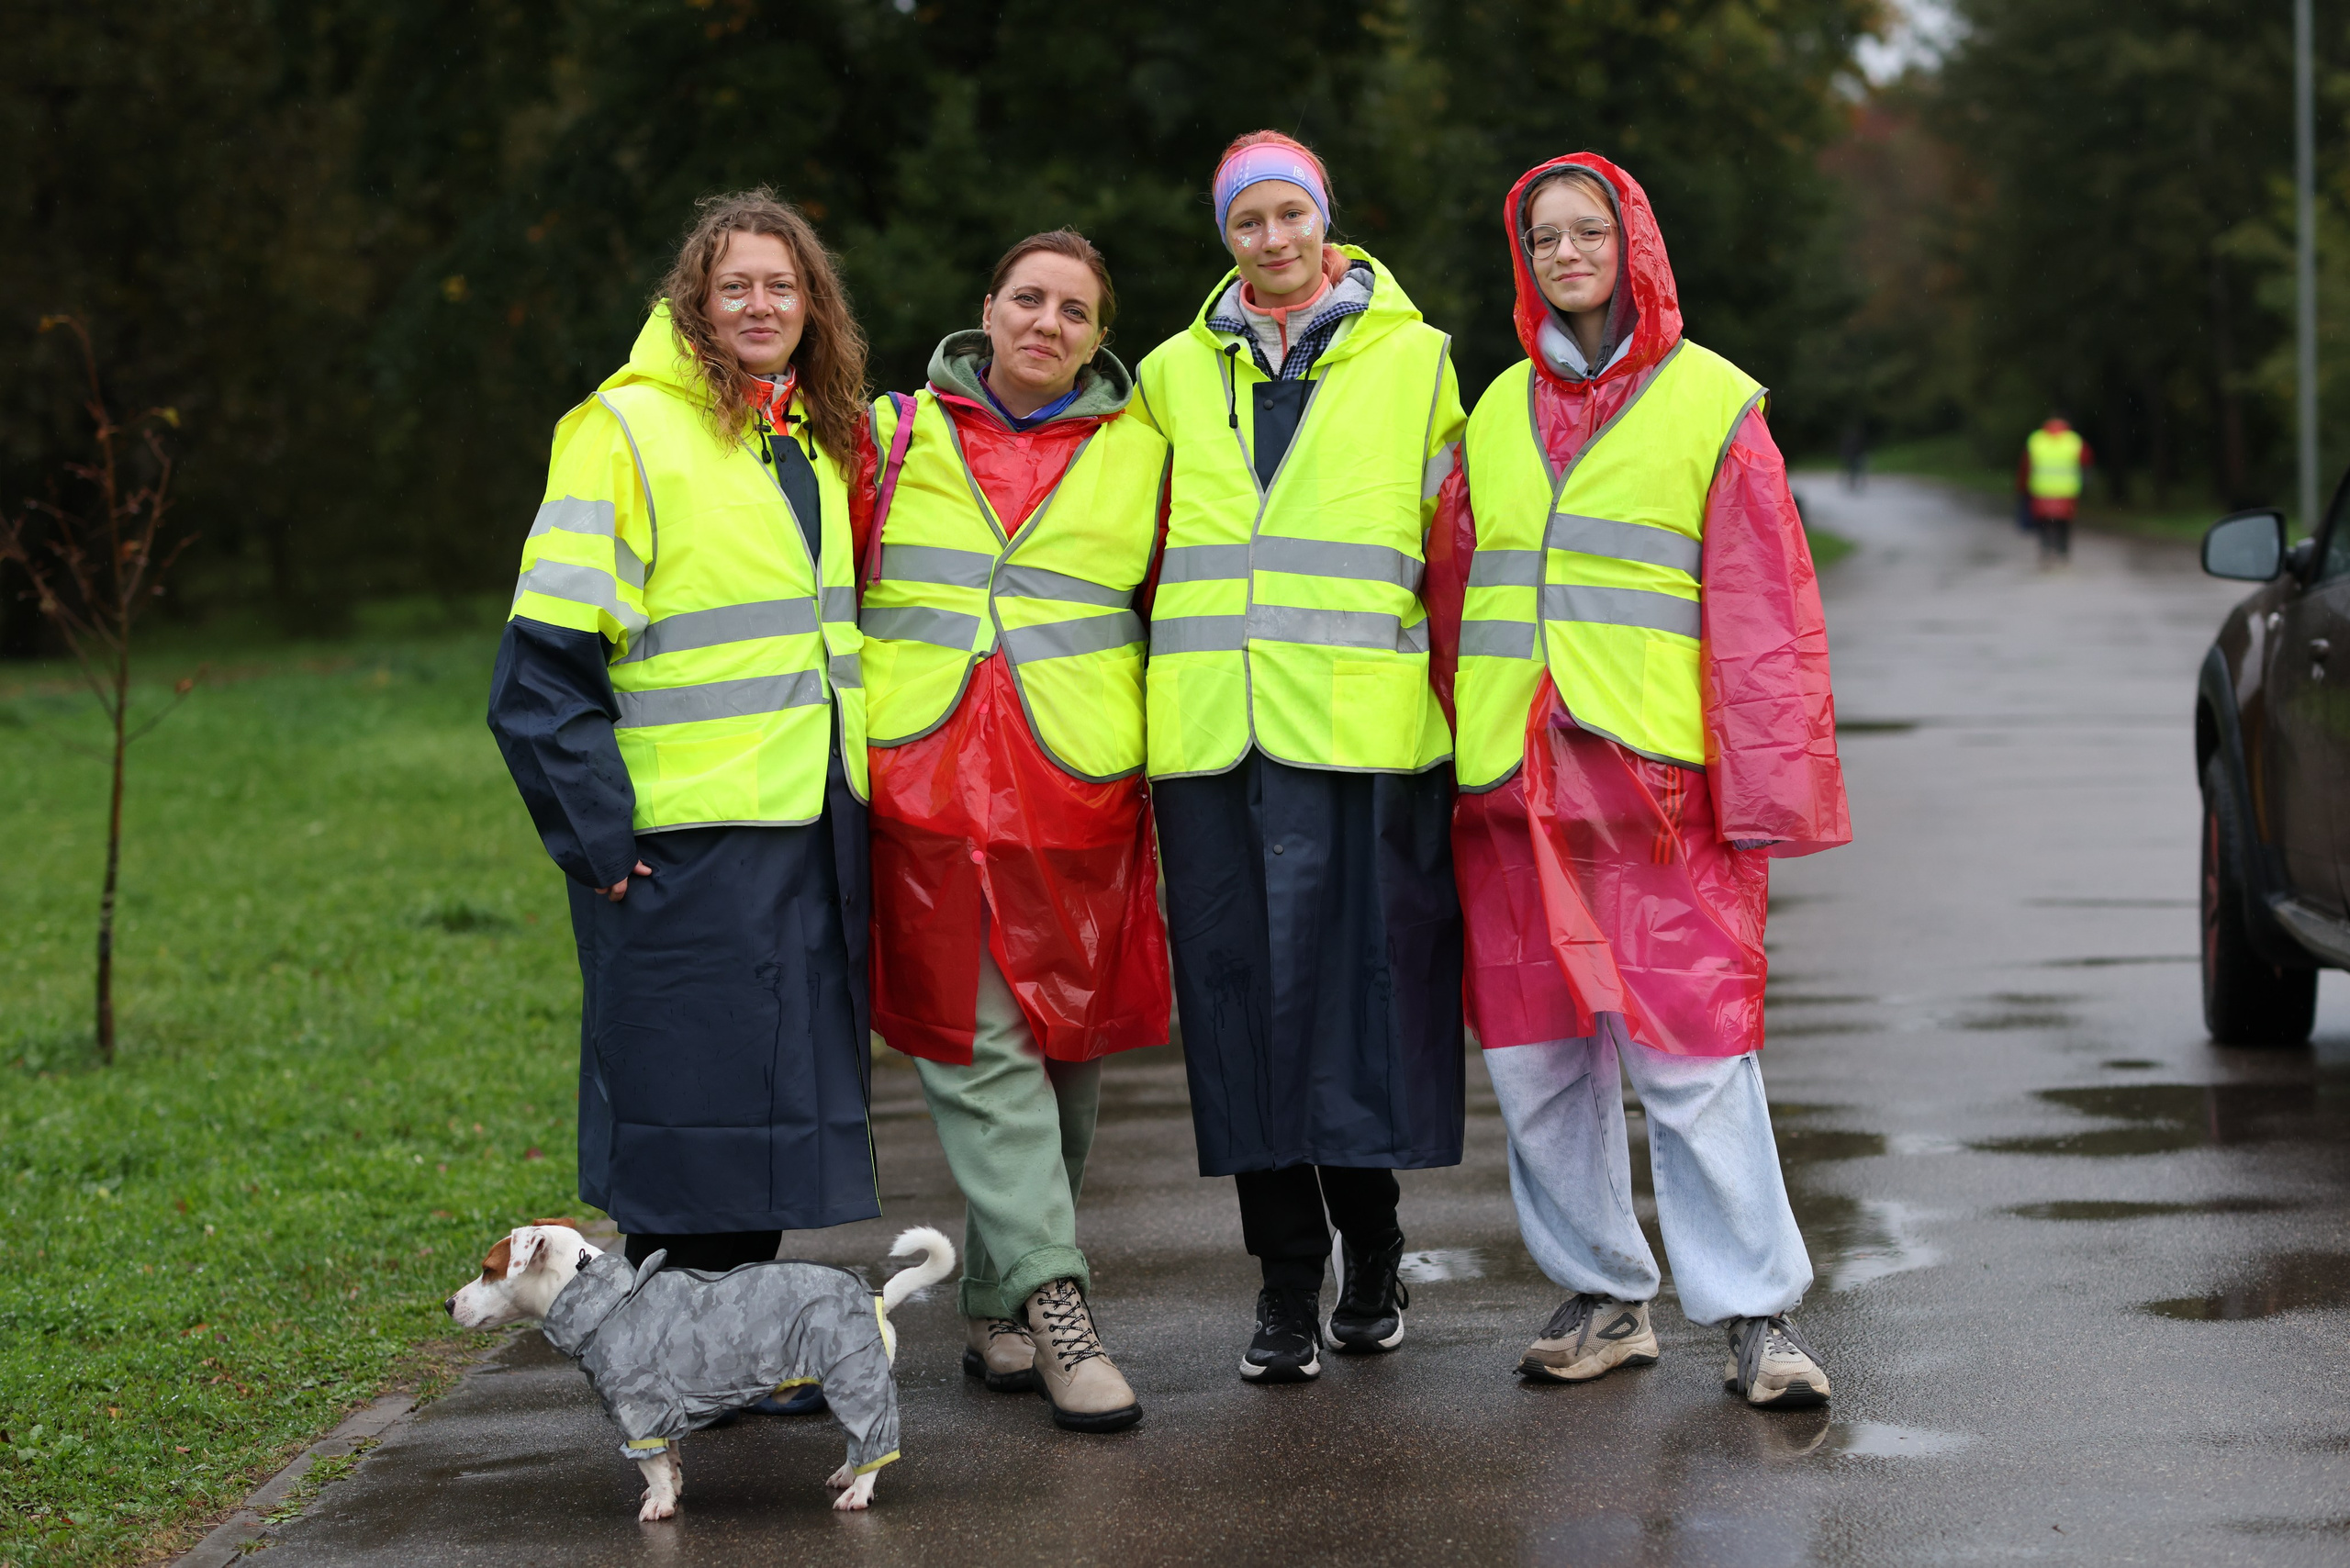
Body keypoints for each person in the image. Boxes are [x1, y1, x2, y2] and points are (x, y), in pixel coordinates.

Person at [1425, 153, 1852, 1408]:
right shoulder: (1494, 412)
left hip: (1659, 787)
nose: (1564, 254)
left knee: (1695, 1051)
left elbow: (1765, 613)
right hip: (1510, 786)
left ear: (1633, 244)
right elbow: (1455, 597)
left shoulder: (1714, 405)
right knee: (1538, 1057)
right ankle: (1605, 1294)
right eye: (1541, 237)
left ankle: (1757, 1315)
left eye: (1585, 232)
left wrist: (1763, 793)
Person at [487, 190, 879, 1372]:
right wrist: (599, 840)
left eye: (783, 285)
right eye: (736, 286)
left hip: (800, 827)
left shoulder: (810, 434)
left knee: (764, 1117)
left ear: (812, 305)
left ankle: (738, 1359)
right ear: (694, 302)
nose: (761, 305)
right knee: (680, 1116)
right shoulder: (621, 430)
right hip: (676, 839)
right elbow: (541, 670)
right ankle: (665, 1367)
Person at [1133, 131, 1467, 1385]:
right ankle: (1284, 1283)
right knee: (1239, 1016)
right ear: (1224, 237)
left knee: (1351, 1003)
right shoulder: (1168, 373)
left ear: (1326, 220)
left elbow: (1458, 558)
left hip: (1363, 739)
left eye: (1289, 216)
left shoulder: (1421, 362)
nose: (1271, 242)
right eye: (1245, 224)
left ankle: (1371, 1250)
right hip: (1214, 740)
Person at [859, 230, 1166, 1434]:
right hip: (927, 796)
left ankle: (992, 1308)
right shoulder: (886, 436)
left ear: (1099, 334)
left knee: (1067, 1072)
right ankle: (1059, 1307)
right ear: (985, 308)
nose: (1048, 323)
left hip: (1079, 799)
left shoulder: (1145, 453)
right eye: (1028, 299)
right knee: (987, 1056)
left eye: (1076, 310)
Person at [2018, 414, 2093, 559]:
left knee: (2044, 521)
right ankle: (2062, 551)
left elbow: (2025, 466)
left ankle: (2046, 549)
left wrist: (2022, 487)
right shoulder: (2074, 441)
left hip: (2042, 490)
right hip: (2067, 490)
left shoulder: (2036, 440)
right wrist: (2085, 484)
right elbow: (2086, 462)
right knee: (2064, 522)